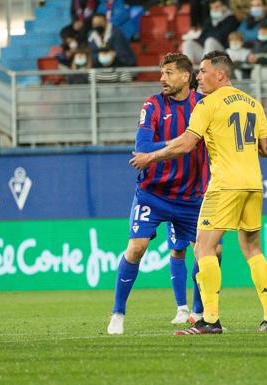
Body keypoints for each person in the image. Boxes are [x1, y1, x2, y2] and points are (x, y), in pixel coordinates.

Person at [130, 51, 267, 335]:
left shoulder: (207, 104)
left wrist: (150, 158)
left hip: (224, 184)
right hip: (253, 184)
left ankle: (210, 319)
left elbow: (185, 144)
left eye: (203, 71)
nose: (198, 76)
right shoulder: (253, 104)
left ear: (220, 75)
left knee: (203, 247)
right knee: (252, 249)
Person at [107, 53, 214, 334]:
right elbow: (143, 145)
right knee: (136, 248)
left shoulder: (203, 104)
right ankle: (118, 313)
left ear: (185, 77)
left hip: (192, 196)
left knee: (211, 252)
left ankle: (199, 312)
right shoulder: (153, 105)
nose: (162, 78)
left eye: (168, 73)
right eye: (161, 73)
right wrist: (183, 142)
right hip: (153, 193)